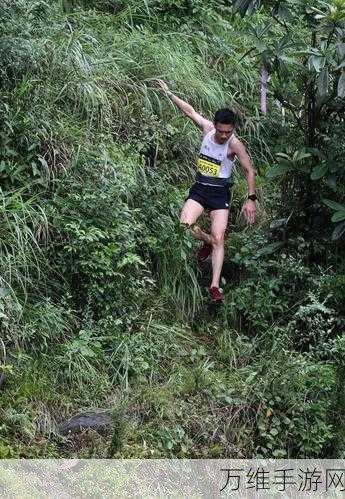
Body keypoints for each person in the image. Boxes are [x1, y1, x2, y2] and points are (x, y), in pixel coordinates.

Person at [156, 80, 257, 302]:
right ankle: (208, 241)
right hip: (200, 189)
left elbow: (249, 170)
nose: (223, 136)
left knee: (220, 236)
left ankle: (214, 286)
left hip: (220, 194)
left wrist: (251, 198)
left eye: (228, 132)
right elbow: (189, 110)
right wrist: (168, 93)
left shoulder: (234, 144)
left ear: (233, 129)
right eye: (221, 131)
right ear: (215, 125)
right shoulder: (207, 129)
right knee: (184, 225)